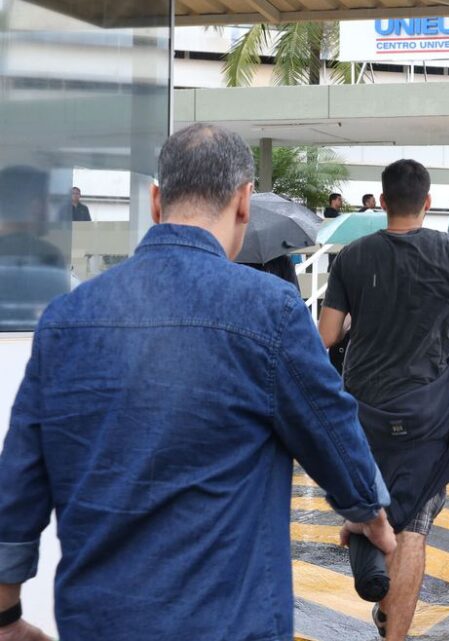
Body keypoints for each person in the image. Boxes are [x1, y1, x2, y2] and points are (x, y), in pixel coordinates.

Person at [0, 123, 397, 641]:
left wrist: (6, 617)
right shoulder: (270, 311)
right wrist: (367, 512)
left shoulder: (66, 317)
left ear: (157, 201)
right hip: (229, 622)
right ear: (243, 201)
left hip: (98, 621)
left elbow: (20, 479)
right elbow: (334, 432)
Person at [318, 160, 449, 641]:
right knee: (412, 526)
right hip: (425, 415)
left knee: (369, 507)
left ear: (382, 199)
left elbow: (328, 336)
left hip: (363, 415)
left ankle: (374, 570)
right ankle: (394, 631)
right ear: (428, 202)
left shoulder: (351, 257)